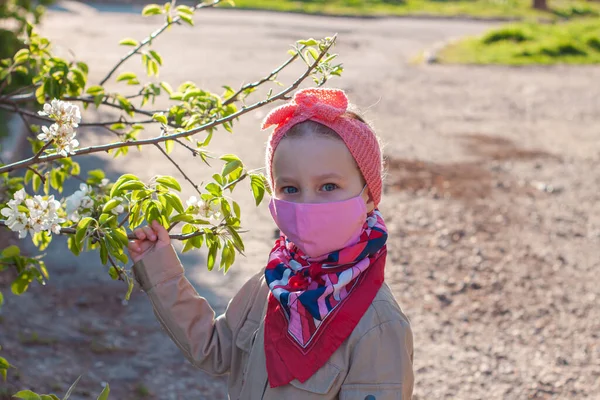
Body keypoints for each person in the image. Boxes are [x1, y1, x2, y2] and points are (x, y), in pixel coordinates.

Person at [128, 88, 414, 399]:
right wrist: (160, 269)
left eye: (328, 186)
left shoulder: (378, 325)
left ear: (370, 195)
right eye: (290, 189)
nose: (306, 204)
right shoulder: (272, 285)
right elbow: (214, 349)